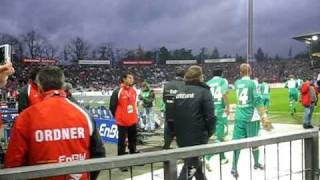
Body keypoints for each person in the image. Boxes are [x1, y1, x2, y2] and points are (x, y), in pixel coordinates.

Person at [4, 66, 105, 180]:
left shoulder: (26, 117)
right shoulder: (84, 114)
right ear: (63, 85)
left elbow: (13, 162)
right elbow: (99, 153)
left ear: (39, 87)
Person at [174, 65, 216, 180]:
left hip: (181, 136)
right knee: (191, 167)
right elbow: (210, 117)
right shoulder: (204, 91)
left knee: (195, 163)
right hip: (198, 136)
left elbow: (173, 116)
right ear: (200, 77)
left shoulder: (178, 91)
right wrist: (209, 133)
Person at [231, 63, 269, 178]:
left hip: (239, 117)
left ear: (240, 72)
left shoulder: (237, 83)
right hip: (251, 117)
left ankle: (233, 167)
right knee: (255, 142)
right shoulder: (253, 83)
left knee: (237, 143)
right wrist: (264, 115)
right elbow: (257, 100)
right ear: (250, 71)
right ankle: (256, 163)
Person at [109, 72, 139, 172]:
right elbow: (112, 107)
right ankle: (121, 163)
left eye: (132, 78)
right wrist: (119, 117)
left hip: (133, 121)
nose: (132, 80)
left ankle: (133, 160)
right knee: (122, 143)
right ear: (124, 79)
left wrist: (135, 116)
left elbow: (135, 105)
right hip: (122, 122)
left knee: (133, 141)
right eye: (130, 78)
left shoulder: (134, 90)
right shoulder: (117, 91)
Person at [205, 69, 230, 171]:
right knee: (221, 135)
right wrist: (228, 106)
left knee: (219, 135)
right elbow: (224, 93)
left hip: (211, 111)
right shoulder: (223, 81)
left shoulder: (208, 83)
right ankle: (207, 157)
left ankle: (222, 158)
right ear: (222, 73)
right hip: (220, 110)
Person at [162, 67, 185, 149]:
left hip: (169, 112)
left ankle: (165, 154)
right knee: (183, 138)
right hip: (181, 114)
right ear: (184, 75)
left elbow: (164, 99)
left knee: (168, 135)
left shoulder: (167, 85)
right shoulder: (185, 84)